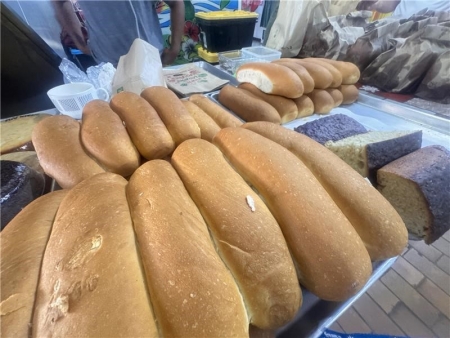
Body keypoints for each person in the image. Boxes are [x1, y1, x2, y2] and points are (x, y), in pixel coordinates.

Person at [52, 0, 185, 67]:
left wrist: (175, 49)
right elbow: (60, 3)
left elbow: (176, 3)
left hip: (151, 59)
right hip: (108, 64)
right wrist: (80, 43)